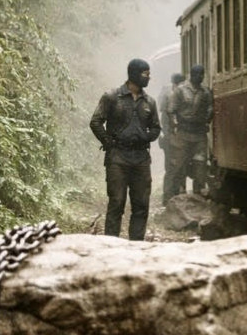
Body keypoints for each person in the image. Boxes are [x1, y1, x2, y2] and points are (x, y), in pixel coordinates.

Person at [89, 58, 161, 240]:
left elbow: (156, 128)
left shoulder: (149, 102)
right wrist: (108, 141)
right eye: (146, 74)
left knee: (141, 205)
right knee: (116, 202)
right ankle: (110, 244)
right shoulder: (112, 96)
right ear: (134, 74)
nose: (149, 78)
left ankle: (136, 246)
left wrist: (146, 137)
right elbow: (96, 121)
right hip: (118, 158)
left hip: (141, 159)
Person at [165, 64, 214, 197]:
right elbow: (171, 110)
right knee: (179, 164)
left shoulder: (205, 92)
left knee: (200, 164)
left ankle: (198, 194)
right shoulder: (181, 90)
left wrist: (207, 119)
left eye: (202, 74)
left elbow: (210, 107)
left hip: (199, 133)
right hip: (183, 132)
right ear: (192, 75)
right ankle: (177, 194)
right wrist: (174, 125)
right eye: (198, 74)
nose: (200, 77)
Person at [158, 71, 185, 203]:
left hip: (177, 137)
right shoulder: (169, 95)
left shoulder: (173, 93)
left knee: (178, 167)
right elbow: (165, 119)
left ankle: (175, 195)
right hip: (171, 137)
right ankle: (169, 196)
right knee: (171, 167)